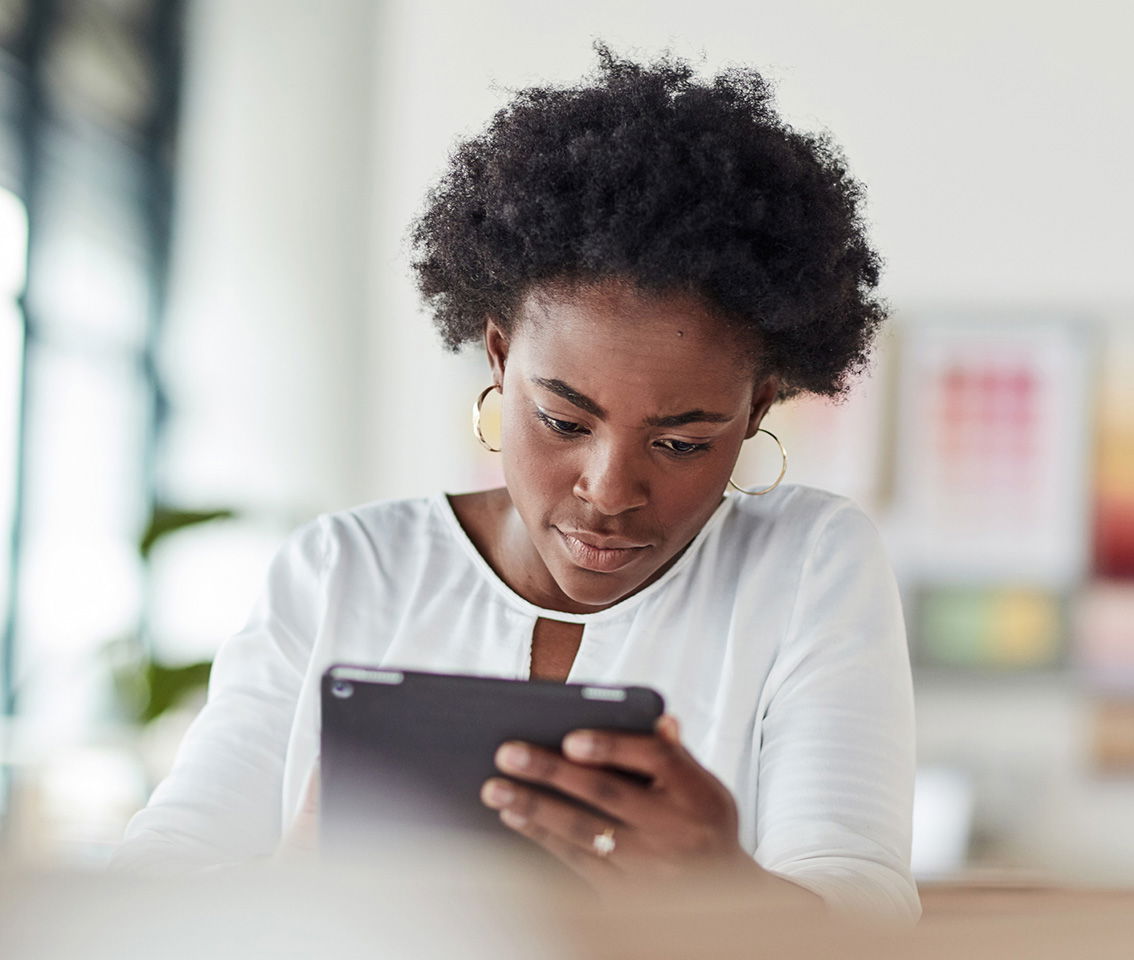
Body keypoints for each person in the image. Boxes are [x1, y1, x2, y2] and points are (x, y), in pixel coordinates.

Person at [110, 44, 921, 926]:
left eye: (683, 442)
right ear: (499, 358)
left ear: (760, 405)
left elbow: (868, 907)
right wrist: (296, 880)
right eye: (565, 423)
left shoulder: (807, 565)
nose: (611, 491)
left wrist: (726, 885)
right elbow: (149, 890)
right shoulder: (342, 569)